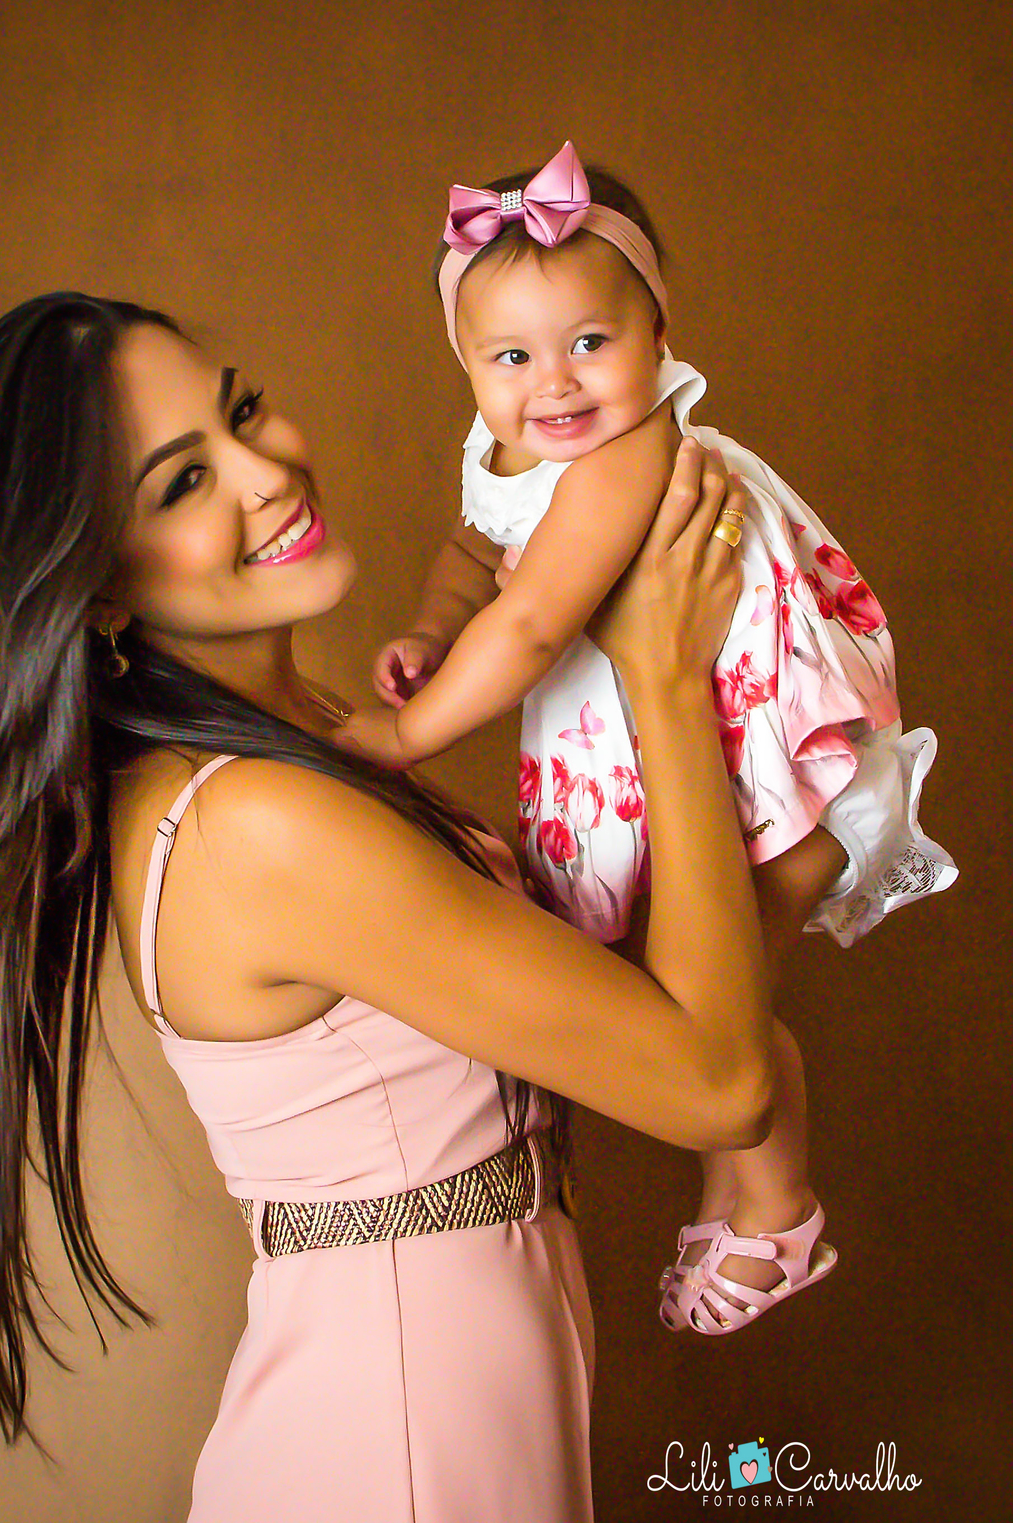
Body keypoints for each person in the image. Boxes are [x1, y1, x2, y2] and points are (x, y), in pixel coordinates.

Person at [0, 290, 772, 1523]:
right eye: (180, 482)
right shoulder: (258, 824)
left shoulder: (310, 748)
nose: (266, 471)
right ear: (93, 587)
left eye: (242, 406)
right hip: (395, 1499)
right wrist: (664, 671)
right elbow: (718, 1084)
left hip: (442, 1459)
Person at [341, 141, 957, 1336]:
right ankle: (742, 1196)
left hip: (780, 758)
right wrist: (430, 624)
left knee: (712, 999)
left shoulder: (629, 454)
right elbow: (481, 554)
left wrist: (405, 732)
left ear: (661, 329)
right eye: (512, 357)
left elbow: (528, 625)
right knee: (688, 994)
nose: (556, 385)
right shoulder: (523, 445)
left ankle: (774, 1211)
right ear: (466, 362)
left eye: (592, 343)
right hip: (687, 757)